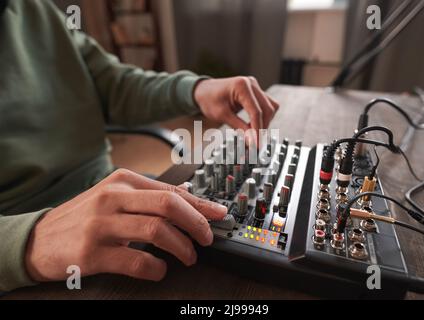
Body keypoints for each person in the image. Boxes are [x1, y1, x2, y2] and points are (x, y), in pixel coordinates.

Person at [0, 0, 279, 292]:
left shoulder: (37, 9)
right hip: (24, 251)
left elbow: (114, 85)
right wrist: (28, 241)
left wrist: (196, 90)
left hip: (107, 189)